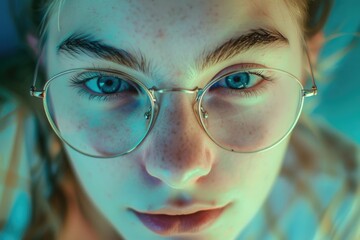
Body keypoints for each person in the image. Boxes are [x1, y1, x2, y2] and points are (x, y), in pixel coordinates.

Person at [0, 0, 359, 239]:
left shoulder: (341, 213)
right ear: (44, 66)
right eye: (108, 84)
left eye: (238, 80)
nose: (177, 169)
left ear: (306, 64)